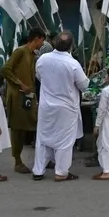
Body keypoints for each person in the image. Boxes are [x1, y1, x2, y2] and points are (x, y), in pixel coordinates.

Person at [32, 31, 89, 182]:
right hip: (66, 108)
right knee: (65, 141)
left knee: (43, 138)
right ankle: (61, 172)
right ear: (71, 46)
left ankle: (38, 170)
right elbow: (84, 85)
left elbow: (39, 76)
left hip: (46, 106)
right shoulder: (73, 64)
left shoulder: (43, 59)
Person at [2, 27, 46, 174]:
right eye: (42, 40)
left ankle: (44, 158)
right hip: (17, 97)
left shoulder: (33, 54)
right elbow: (6, 69)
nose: (42, 44)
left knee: (33, 125)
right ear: (37, 38)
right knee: (17, 129)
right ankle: (18, 161)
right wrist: (20, 84)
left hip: (28, 97)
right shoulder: (20, 51)